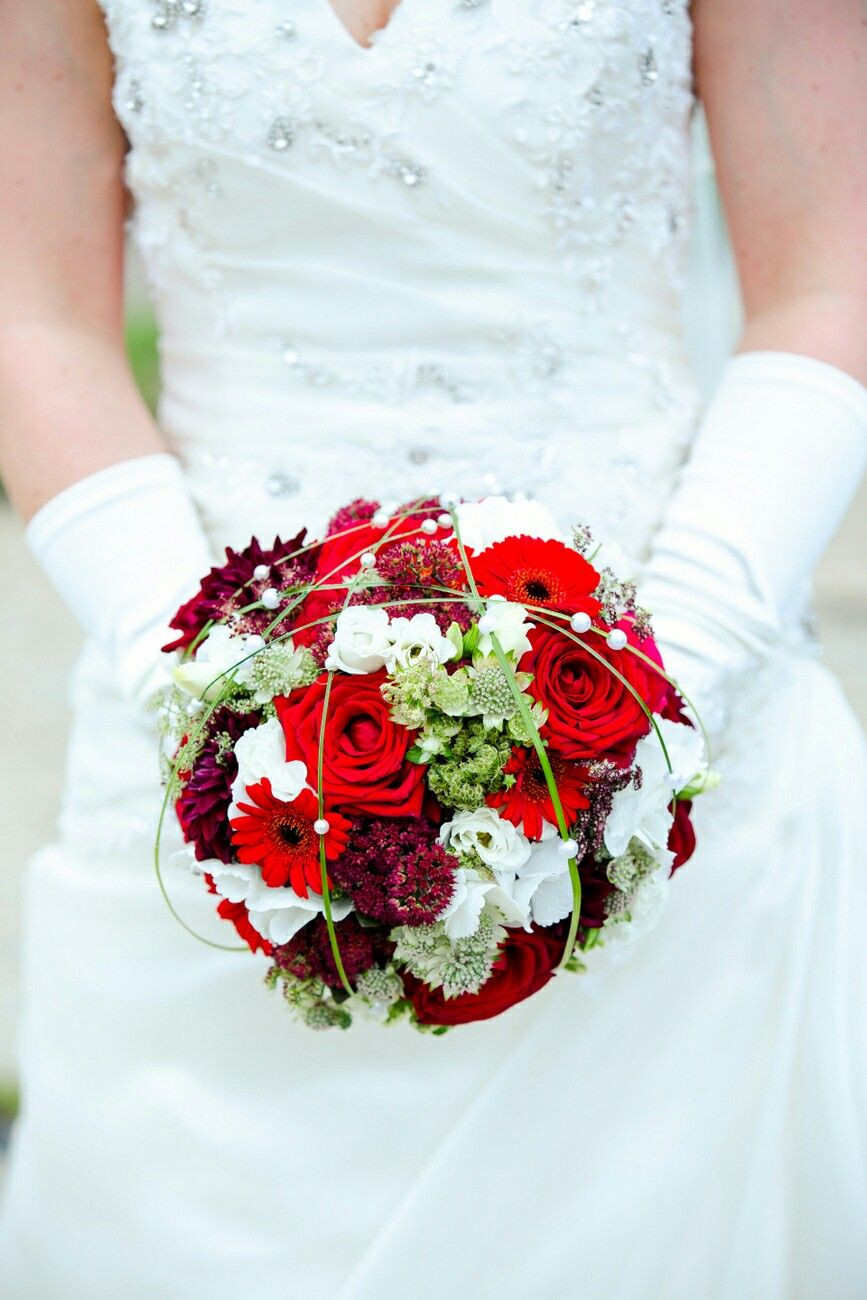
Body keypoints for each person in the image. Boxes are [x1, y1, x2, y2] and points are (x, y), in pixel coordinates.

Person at [1, 1, 865, 1295]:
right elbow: (34, 308)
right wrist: (208, 706)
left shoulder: (660, 705)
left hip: (675, 725)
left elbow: (831, 273)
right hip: (211, 729)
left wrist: (655, 692)